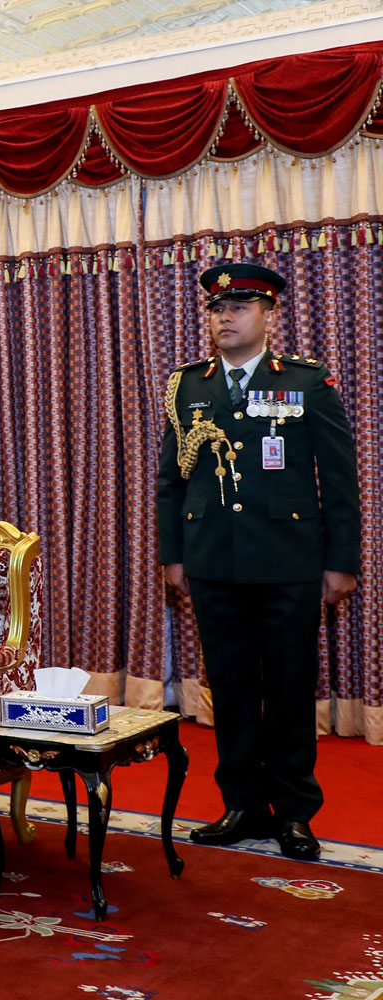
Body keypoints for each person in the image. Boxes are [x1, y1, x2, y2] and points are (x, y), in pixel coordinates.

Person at [155, 262, 358, 862]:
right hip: (213, 561)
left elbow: (339, 481)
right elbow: (171, 481)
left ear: (269, 315)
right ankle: (241, 804)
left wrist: (341, 561)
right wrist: (173, 555)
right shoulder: (187, 387)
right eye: (217, 309)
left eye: (240, 307)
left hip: (289, 560)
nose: (226, 317)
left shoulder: (304, 382)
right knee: (232, 687)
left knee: (290, 688)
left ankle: (294, 812)